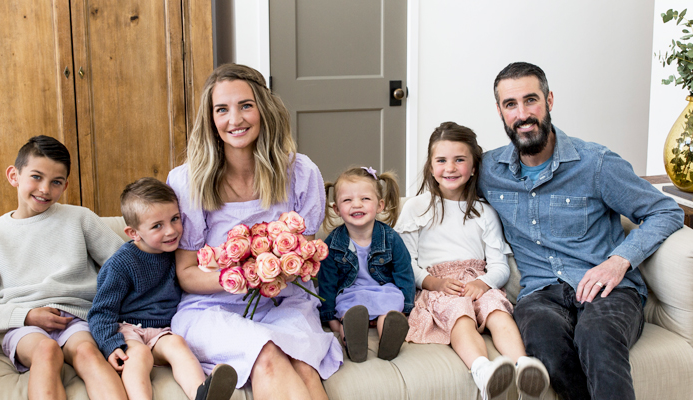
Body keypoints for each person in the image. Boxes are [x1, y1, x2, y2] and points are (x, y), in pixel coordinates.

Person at [478, 62, 685, 400]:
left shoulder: (596, 163)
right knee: (546, 349)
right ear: (500, 112)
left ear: (549, 100)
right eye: (511, 104)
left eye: (531, 100)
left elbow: (665, 210)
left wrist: (620, 261)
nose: (523, 114)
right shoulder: (488, 171)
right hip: (539, 293)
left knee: (597, 337)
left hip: (607, 288)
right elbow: (441, 190)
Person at [167, 63, 342, 400]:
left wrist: (277, 272)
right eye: (222, 109)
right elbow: (187, 274)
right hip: (211, 309)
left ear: (263, 108)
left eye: (246, 105)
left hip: (285, 302)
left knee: (304, 364)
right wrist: (244, 276)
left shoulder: (301, 172)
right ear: (211, 118)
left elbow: (304, 258)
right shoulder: (187, 181)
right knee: (268, 355)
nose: (235, 120)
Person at [0, 135, 127, 400]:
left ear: (65, 185)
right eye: (36, 177)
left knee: (87, 353)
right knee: (46, 351)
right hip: (22, 325)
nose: (45, 189)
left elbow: (122, 264)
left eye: (56, 182)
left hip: (77, 317)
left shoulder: (80, 218)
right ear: (14, 175)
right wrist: (26, 316)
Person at [395, 122, 549, 400]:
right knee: (460, 314)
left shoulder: (484, 212)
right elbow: (406, 263)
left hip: (478, 281)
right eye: (441, 160)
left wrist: (484, 282)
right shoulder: (416, 208)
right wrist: (433, 282)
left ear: (474, 167)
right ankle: (483, 370)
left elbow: (500, 266)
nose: (450, 167)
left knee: (497, 309)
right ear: (431, 167)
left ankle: (524, 365)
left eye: (459, 160)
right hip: (439, 287)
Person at [87, 177, 237, 400]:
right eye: (157, 226)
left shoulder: (178, 256)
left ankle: (202, 393)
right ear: (134, 233)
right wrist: (110, 344)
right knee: (139, 356)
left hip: (163, 330)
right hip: (128, 329)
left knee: (177, 345)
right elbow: (101, 311)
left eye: (175, 219)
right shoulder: (121, 264)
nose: (171, 231)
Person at [317, 166, 414, 363]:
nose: (356, 205)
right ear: (336, 209)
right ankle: (353, 342)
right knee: (349, 314)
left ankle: (389, 339)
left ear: (380, 205)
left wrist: (406, 307)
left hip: (383, 290)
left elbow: (404, 272)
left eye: (365, 199)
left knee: (390, 311)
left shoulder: (391, 238)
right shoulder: (332, 244)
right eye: (347, 200)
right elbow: (327, 282)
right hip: (351, 294)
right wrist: (330, 318)